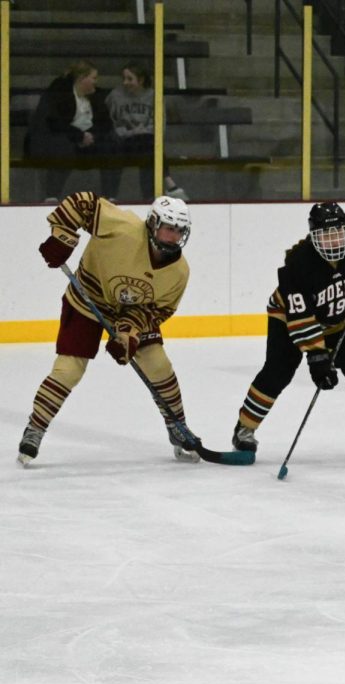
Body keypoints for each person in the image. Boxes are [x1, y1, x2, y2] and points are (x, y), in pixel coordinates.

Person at [19, 193, 197, 465]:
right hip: (87, 300)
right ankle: (35, 428)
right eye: (168, 228)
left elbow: (156, 311)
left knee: (158, 364)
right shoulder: (122, 227)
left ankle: (177, 426)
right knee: (68, 369)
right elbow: (83, 203)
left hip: (128, 312)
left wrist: (129, 336)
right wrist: (63, 237)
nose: (173, 237)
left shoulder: (179, 272)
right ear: (152, 223)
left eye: (178, 231)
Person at [230, 202, 345, 456]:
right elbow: (301, 316)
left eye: (337, 233)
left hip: (337, 318)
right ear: (313, 237)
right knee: (278, 371)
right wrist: (317, 357)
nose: (333, 241)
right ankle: (244, 429)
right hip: (288, 317)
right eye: (325, 235)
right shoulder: (298, 263)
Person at [24, 60, 120, 202]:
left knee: (112, 145)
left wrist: (91, 136)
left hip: (87, 142)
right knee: (62, 145)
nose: (96, 82)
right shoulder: (59, 92)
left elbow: (106, 123)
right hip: (57, 140)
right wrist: (79, 136)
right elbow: (53, 122)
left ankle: (110, 196)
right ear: (82, 78)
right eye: (94, 78)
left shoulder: (96, 96)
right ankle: (51, 195)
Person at [105, 63, 187, 202]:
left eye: (130, 79)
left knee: (149, 147)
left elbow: (159, 127)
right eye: (124, 78)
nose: (125, 82)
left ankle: (149, 197)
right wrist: (132, 132)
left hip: (145, 143)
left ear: (141, 80)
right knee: (146, 146)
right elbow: (110, 123)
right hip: (122, 143)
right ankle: (169, 183)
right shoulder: (115, 96)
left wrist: (141, 132)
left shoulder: (154, 96)